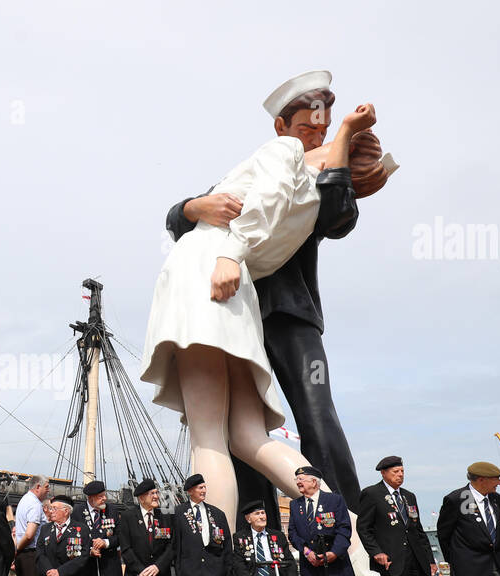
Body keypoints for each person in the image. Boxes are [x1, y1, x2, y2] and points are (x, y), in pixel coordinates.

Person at [162, 71, 387, 521]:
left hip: (287, 311)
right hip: (230, 308)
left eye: (324, 130)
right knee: (237, 429)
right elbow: (183, 219)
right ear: (282, 128)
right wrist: (193, 206)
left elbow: (339, 215)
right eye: (307, 128)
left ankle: (344, 525)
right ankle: (256, 540)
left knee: (314, 410)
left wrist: (342, 142)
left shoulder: (320, 176)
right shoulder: (266, 163)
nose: (316, 137)